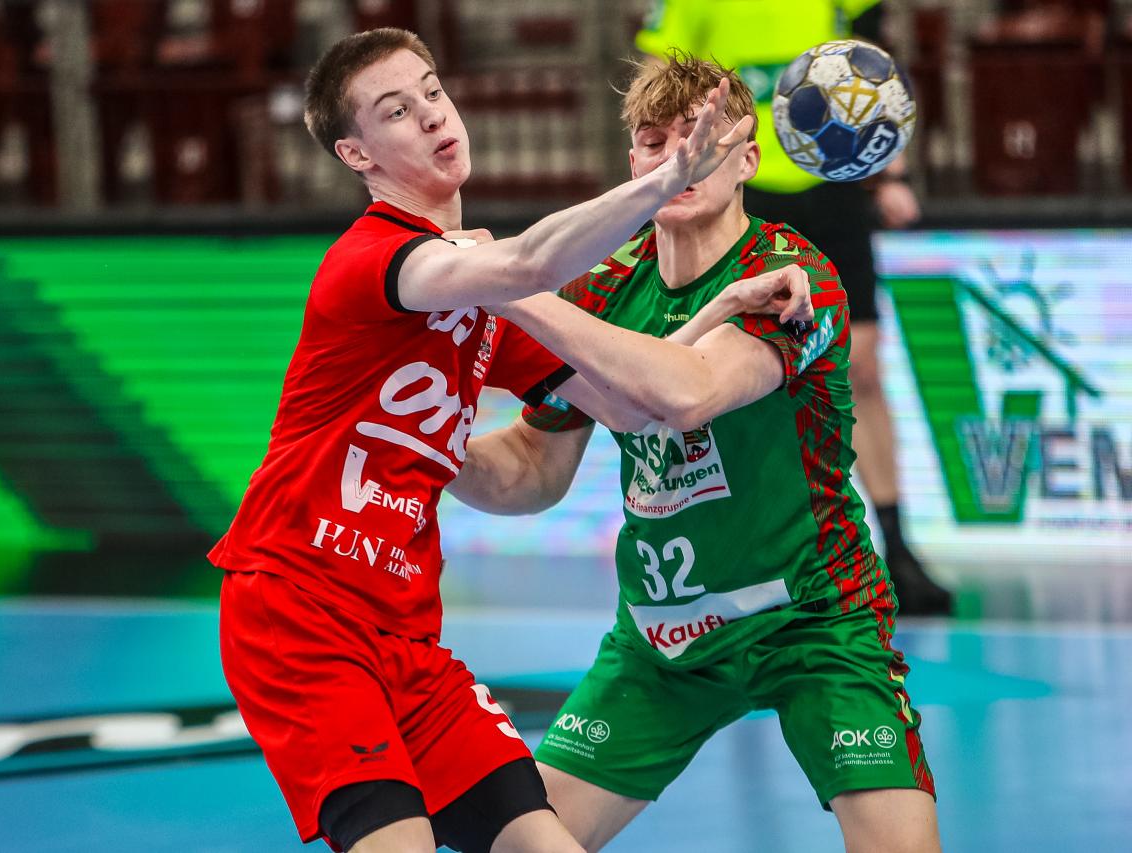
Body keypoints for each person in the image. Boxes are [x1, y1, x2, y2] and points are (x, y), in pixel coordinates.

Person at [209, 28, 811, 853]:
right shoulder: (377, 261)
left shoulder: (489, 298)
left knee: (542, 841)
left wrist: (723, 308)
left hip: (405, 629)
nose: (432, 115)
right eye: (396, 111)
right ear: (356, 153)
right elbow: (525, 264)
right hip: (298, 606)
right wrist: (669, 177)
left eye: (432, 91)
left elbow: (629, 407)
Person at [450, 54, 940, 851]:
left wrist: (510, 284)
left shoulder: (793, 278)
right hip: (663, 638)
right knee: (520, 844)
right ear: (633, 166)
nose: (679, 156)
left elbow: (690, 391)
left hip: (815, 621)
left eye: (701, 137)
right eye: (655, 142)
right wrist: (427, 446)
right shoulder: (602, 291)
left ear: (748, 158)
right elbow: (534, 471)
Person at [636, 0, 954, 615]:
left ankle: (896, 548)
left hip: (832, 184)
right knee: (735, 380)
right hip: (742, 189)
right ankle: (754, 553)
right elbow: (657, 79)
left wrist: (892, 172)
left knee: (863, 368)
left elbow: (876, 67)